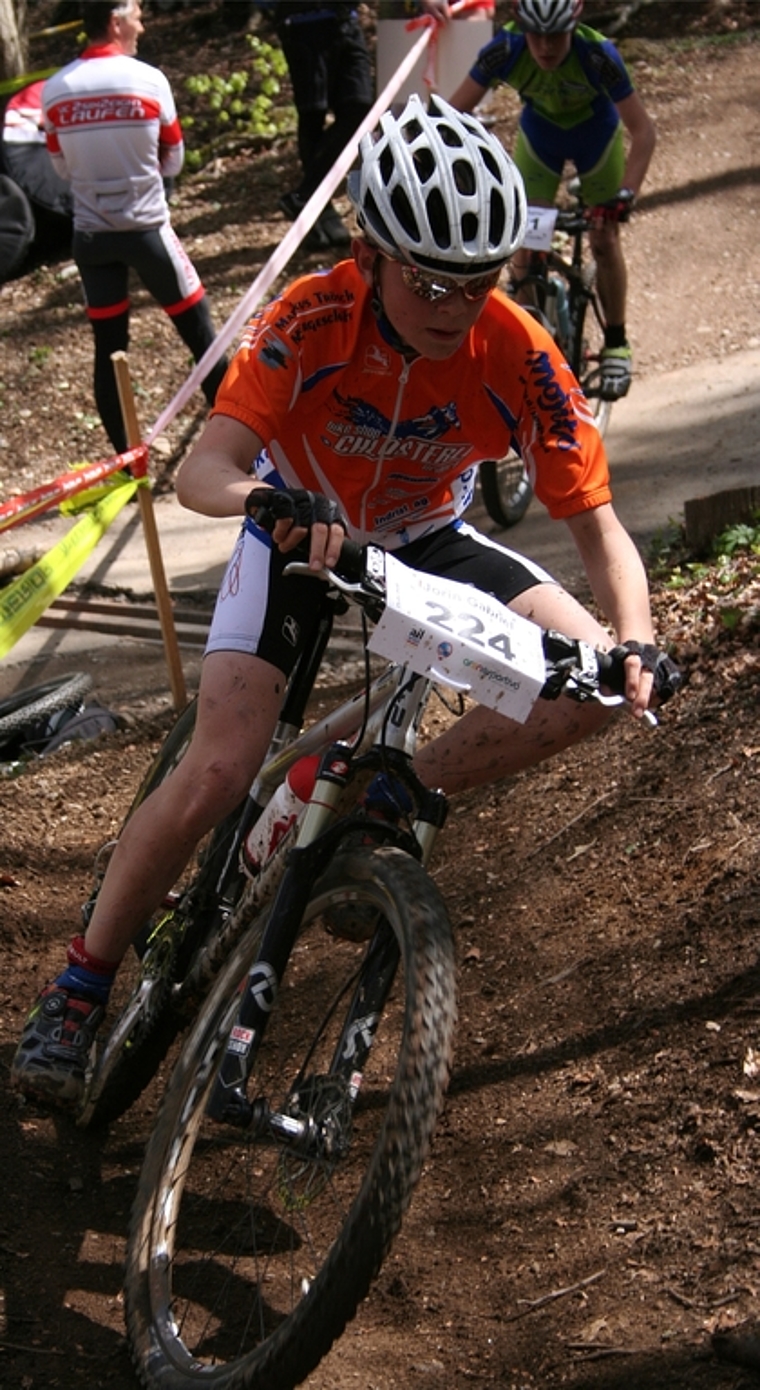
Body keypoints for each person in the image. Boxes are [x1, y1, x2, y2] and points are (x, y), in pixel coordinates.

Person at [11, 94, 678, 1110]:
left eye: (478, 280)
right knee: (221, 766)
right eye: (428, 279)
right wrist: (274, 498)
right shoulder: (311, 317)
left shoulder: (518, 351)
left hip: (427, 539)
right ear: (369, 252)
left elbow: (599, 527)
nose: (454, 305)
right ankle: (80, 986)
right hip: (295, 531)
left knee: (593, 683)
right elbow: (204, 474)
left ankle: (397, 788)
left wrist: (635, 640)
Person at [40, 0, 227, 457]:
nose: (143, 24)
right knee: (201, 333)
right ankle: (237, 446)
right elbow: (174, 158)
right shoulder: (149, 79)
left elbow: (60, 167)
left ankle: (125, 460)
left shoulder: (55, 89)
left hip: (91, 237)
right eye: (138, 15)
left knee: (109, 347)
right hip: (147, 230)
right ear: (116, 20)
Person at [448, 0, 656, 401]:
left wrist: (626, 194)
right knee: (526, 243)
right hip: (540, 140)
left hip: (598, 140)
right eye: (536, 35)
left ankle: (616, 343)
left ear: (574, 25)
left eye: (555, 34)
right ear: (520, 27)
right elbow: (451, 115)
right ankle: (524, 344)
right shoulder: (505, 48)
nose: (544, 46)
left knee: (603, 238)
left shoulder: (597, 54)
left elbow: (643, 132)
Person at [273, 2, 374, 251]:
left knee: (359, 108)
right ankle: (319, 212)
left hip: (345, 21)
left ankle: (306, 195)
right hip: (301, 22)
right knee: (312, 114)